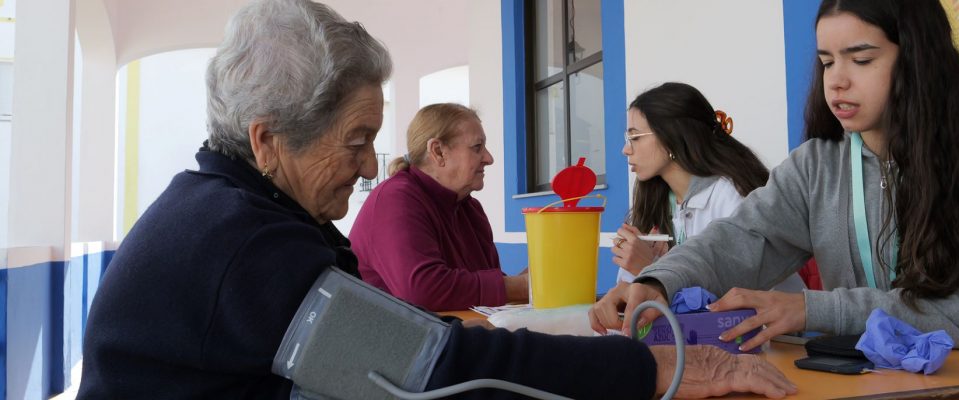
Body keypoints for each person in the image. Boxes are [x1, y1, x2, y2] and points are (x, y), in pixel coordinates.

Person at [77, 0, 797, 398]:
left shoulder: (225, 210)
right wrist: (654, 368)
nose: (368, 168)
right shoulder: (243, 245)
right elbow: (424, 368)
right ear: (268, 141)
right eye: (355, 139)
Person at [591, 0, 959, 361]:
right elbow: (742, 237)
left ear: (918, 60)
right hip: (866, 381)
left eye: (861, 59)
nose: (836, 81)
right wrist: (659, 282)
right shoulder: (818, 164)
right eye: (827, 61)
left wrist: (815, 311)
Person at [613, 82, 806, 293]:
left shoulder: (732, 198)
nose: (626, 149)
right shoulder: (652, 206)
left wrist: (654, 273)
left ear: (671, 137)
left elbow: (741, 302)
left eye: (635, 137)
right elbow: (631, 300)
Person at [350, 103, 527, 311]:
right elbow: (423, 291)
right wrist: (523, 286)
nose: (489, 158)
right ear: (438, 152)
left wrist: (533, 281)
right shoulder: (395, 199)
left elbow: (482, 292)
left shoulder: (470, 209)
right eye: (477, 147)